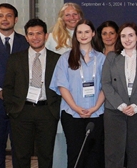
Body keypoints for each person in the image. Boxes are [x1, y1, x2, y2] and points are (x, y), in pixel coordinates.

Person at [3, 18, 61, 168]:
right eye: (31, 34)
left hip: (47, 111)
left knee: (46, 154)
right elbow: (8, 87)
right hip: (22, 111)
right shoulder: (15, 59)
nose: (35, 37)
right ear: (26, 37)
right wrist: (11, 110)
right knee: (21, 155)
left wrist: (55, 110)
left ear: (46, 35)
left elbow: (62, 87)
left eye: (39, 33)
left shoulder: (57, 59)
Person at [50, 19, 106, 168]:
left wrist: (94, 108)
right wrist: (75, 107)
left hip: (96, 113)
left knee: (94, 154)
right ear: (75, 35)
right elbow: (62, 86)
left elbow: (106, 87)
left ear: (93, 34)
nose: (83, 35)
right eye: (79, 32)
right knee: (75, 153)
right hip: (72, 114)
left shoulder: (102, 59)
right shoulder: (65, 58)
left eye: (87, 31)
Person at [101, 23, 137, 168]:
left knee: (136, 153)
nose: (127, 39)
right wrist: (121, 105)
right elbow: (106, 83)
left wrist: (136, 105)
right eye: (123, 36)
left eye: (131, 35)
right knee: (113, 154)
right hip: (115, 112)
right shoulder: (112, 57)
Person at [0, 3, 27, 168]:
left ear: (16, 19)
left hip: (20, 103)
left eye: (9, 15)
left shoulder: (25, 42)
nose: (5, 19)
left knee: (21, 149)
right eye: (0, 16)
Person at [44, 2, 82, 168]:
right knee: (62, 136)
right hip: (61, 95)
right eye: (67, 15)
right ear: (62, 18)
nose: (72, 18)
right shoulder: (52, 38)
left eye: (75, 14)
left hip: (84, 95)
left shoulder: (86, 34)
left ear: (80, 16)